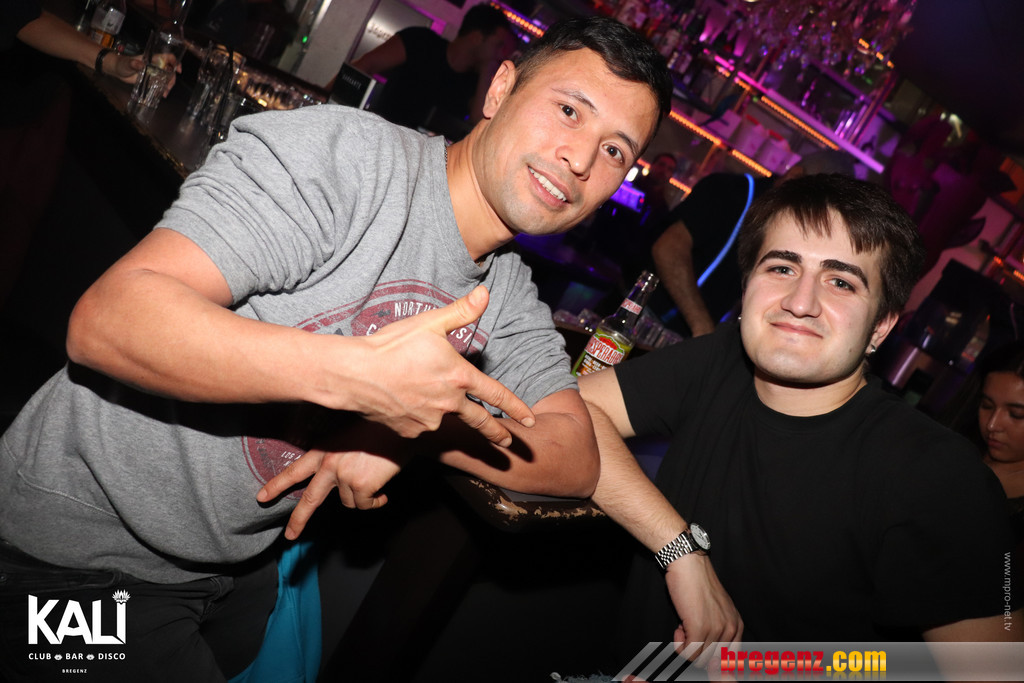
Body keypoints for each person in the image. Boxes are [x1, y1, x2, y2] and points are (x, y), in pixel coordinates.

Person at [0, 15, 672, 682]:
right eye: (568, 110)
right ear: (500, 90)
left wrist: (410, 433)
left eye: (616, 150)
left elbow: (575, 453)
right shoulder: (348, 159)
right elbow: (110, 320)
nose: (581, 160)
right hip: (73, 550)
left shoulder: (507, 291)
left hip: (230, 568)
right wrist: (361, 378)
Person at [580, 174, 1021, 660]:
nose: (799, 303)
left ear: (881, 326)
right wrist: (679, 549)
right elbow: (569, 407)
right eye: (782, 268)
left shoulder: (939, 476)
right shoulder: (719, 361)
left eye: (841, 282)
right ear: (747, 286)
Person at [651, 150, 855, 336]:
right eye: (813, 203)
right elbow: (668, 249)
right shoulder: (728, 191)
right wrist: (702, 327)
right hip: (648, 320)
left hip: (691, 343)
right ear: (793, 176)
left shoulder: (784, 234)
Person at [330, 3, 517, 140]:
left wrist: (487, 70)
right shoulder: (421, 41)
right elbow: (366, 64)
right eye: (498, 45)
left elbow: (479, 120)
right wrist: (325, 102)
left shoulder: (475, 82)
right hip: (377, 135)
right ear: (476, 38)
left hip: (419, 161)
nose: (500, 53)